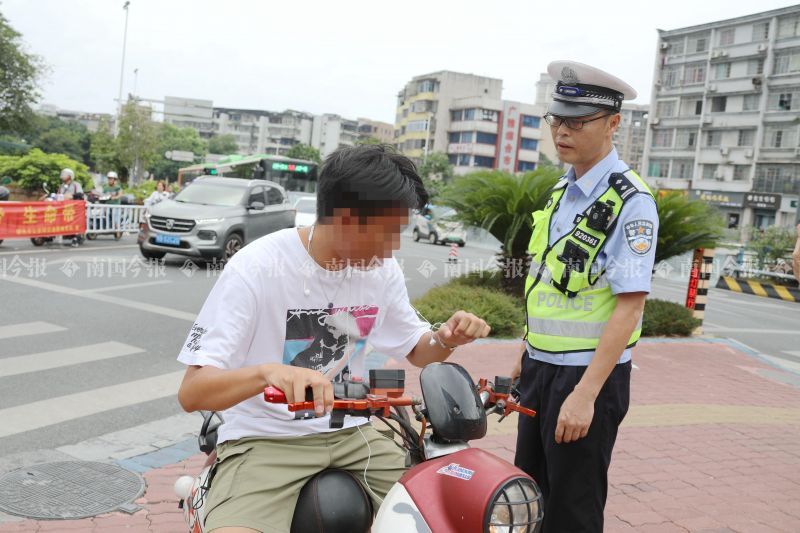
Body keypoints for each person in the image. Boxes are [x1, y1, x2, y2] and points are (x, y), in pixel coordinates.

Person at [177, 144, 491, 532]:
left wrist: (446, 338)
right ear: (345, 219)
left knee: (440, 511)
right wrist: (267, 373)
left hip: (354, 434)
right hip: (265, 439)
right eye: (387, 234)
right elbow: (193, 392)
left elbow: (417, 350)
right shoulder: (257, 268)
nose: (392, 248)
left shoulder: (380, 270)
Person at [510, 61, 659, 532]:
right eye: (557, 119)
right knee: (528, 496)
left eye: (577, 121)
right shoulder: (562, 191)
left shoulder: (630, 202)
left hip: (586, 376)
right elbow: (548, 281)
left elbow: (630, 305)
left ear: (614, 123)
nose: (562, 131)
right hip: (540, 368)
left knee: (571, 509)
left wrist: (585, 395)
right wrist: (524, 352)